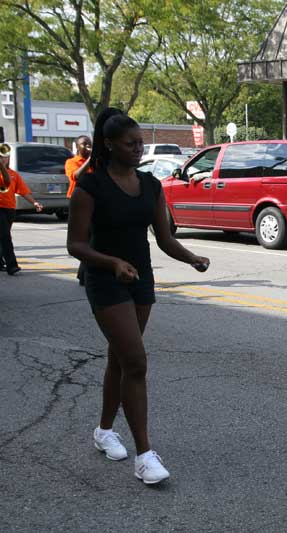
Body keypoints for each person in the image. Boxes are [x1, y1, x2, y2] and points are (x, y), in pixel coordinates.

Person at [66, 108, 210, 485]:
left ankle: (103, 430)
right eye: (130, 144)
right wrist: (111, 262)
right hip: (105, 279)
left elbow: (164, 239)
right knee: (136, 361)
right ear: (109, 144)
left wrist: (192, 257)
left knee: (121, 360)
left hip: (141, 280)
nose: (137, 149)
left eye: (140, 143)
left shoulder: (151, 185)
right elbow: (75, 245)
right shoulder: (90, 186)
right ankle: (145, 454)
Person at [0, 152, 43, 275]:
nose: (3, 159)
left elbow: (23, 191)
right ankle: (11, 265)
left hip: (10, 208)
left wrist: (34, 203)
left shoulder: (14, 175)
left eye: (5, 157)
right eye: (1, 157)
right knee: (5, 236)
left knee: (3, 236)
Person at [65, 135, 93, 285]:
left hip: (94, 201)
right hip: (78, 202)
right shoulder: (71, 162)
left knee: (92, 238)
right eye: (84, 144)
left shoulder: (96, 162)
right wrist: (91, 160)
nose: (87, 146)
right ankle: (84, 274)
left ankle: (84, 274)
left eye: (89, 143)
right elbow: (76, 176)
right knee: (83, 239)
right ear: (77, 146)